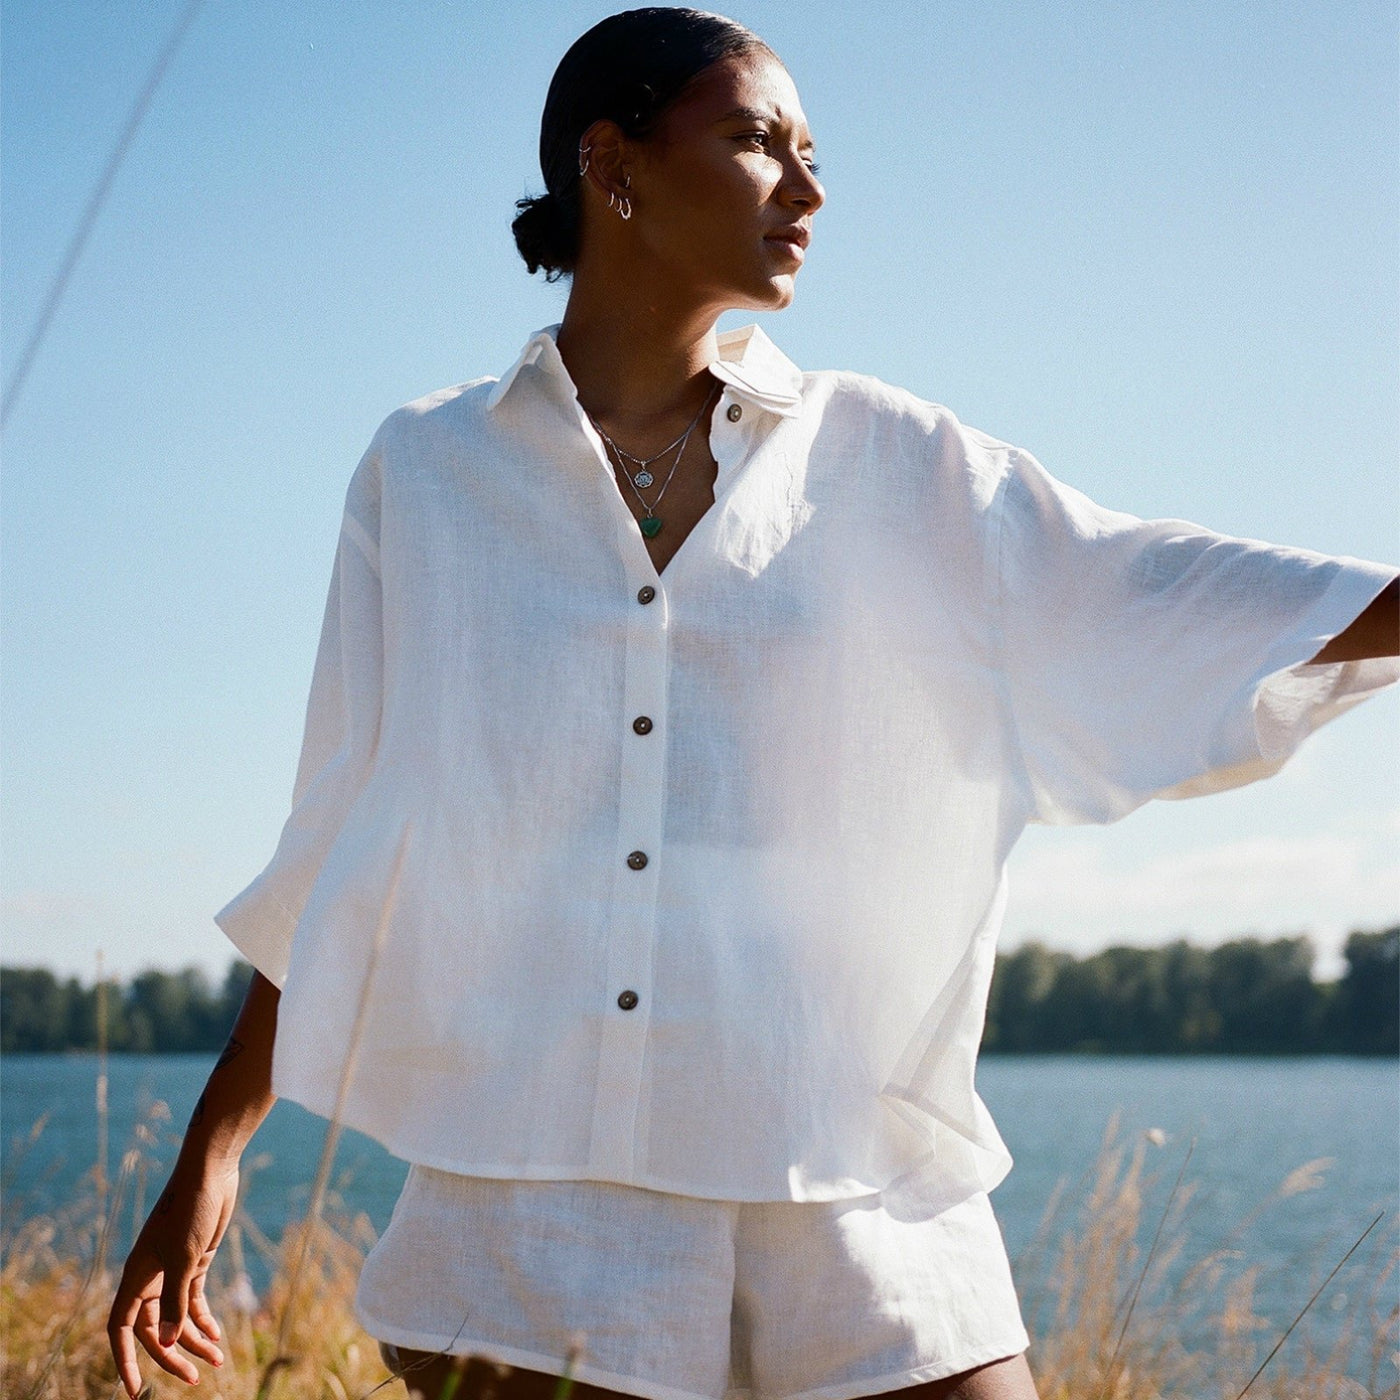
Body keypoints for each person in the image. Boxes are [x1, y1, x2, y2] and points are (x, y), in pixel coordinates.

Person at [106, 9, 1400, 1400]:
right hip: (541, 1212)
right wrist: (214, 1149)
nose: (809, 186)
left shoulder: (896, 462)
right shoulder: (425, 474)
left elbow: (1145, 591)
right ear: (616, 165)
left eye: (812, 152)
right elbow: (347, 824)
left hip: (852, 1187)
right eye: (757, 141)